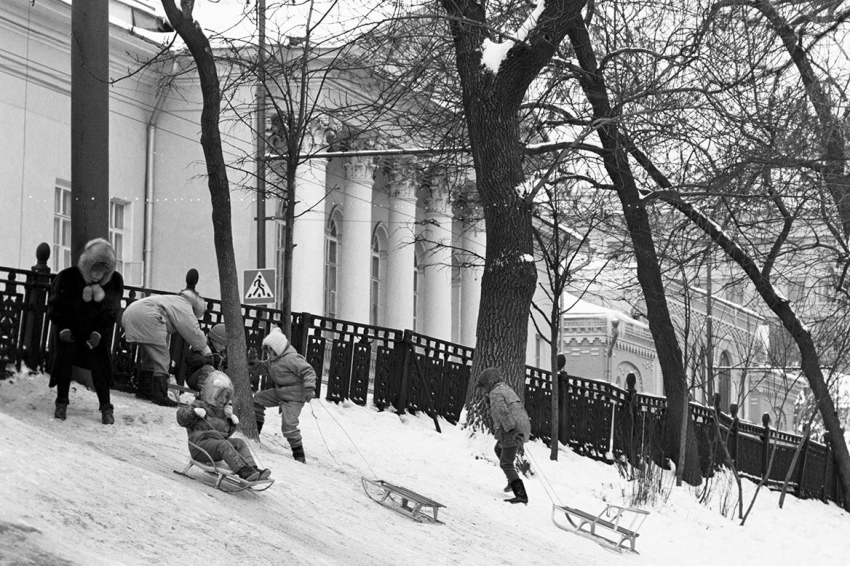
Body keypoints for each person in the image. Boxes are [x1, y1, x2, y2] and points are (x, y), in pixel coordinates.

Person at [47, 238, 124, 424]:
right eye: (95, 269)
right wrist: (64, 328)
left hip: (94, 333)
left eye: (103, 271)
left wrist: (98, 333)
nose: (98, 275)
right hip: (70, 329)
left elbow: (111, 311)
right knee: (64, 358)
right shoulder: (68, 278)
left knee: (100, 365)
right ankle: (61, 403)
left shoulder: (113, 282)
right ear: (87, 265)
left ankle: (106, 408)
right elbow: (56, 306)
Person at [121, 275, 211, 407]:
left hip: (131, 314)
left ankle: (145, 389)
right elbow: (193, 331)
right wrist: (205, 350)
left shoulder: (172, 300)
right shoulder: (185, 306)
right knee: (162, 357)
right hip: (149, 317)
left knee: (150, 354)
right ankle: (159, 394)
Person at [176, 370, 270, 481]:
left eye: (226, 397)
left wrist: (231, 421)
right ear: (211, 393)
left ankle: (253, 469)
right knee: (224, 445)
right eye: (219, 396)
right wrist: (194, 412)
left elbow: (225, 434)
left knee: (239, 443)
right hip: (200, 448)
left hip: (217, 448)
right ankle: (243, 472)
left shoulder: (222, 412)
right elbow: (181, 418)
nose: (223, 400)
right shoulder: (198, 405)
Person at [252, 326, 317, 463]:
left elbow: (308, 371)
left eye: (270, 351)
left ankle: (299, 455)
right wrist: (253, 362)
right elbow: (263, 368)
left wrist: (309, 388)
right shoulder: (273, 360)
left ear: (278, 349)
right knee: (258, 399)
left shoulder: (292, 358)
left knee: (288, 426)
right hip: (280, 392)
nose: (268, 354)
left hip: (294, 397)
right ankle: (255, 432)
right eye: (267, 351)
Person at [476, 366, 532, 504]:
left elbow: (503, 412)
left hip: (511, 428)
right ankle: (510, 479)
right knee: (498, 449)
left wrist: (511, 430)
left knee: (506, 463)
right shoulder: (505, 389)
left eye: (484, 387)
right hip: (521, 425)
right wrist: (489, 403)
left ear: (488, 383)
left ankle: (521, 495)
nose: (484, 390)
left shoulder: (495, 393)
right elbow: (504, 408)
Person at [185, 322, 227, 392]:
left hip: (211, 382)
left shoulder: (220, 353)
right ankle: (203, 391)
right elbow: (191, 359)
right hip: (194, 378)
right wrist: (210, 360)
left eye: (224, 345)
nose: (222, 347)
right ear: (212, 339)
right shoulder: (202, 346)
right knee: (208, 369)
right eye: (220, 344)